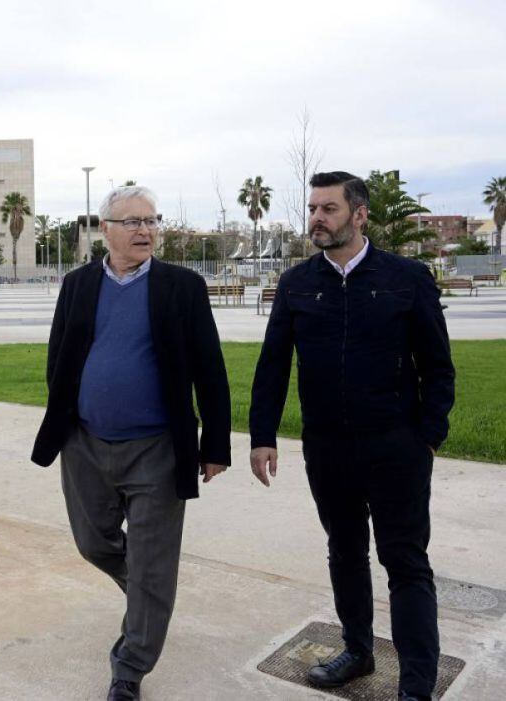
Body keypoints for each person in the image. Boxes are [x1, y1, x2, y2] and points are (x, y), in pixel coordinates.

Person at [249, 171, 454, 701]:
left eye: (329, 209)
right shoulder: (296, 283)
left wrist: (427, 436)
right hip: (328, 448)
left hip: (396, 447)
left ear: (359, 214)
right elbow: (273, 365)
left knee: (405, 563)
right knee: (344, 552)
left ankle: (415, 685)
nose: (316, 218)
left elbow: (438, 366)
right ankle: (359, 651)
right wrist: (262, 434)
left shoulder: (405, 277)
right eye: (312, 208)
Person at [31, 185, 231, 701]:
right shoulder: (77, 284)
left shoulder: (181, 287)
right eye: (133, 222)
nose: (145, 230)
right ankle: (146, 589)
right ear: (107, 230)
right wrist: (65, 418)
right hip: (85, 443)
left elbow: (210, 367)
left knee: (154, 562)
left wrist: (215, 445)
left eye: (151, 220)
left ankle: (129, 667)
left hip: (158, 448)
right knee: (92, 542)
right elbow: (59, 358)